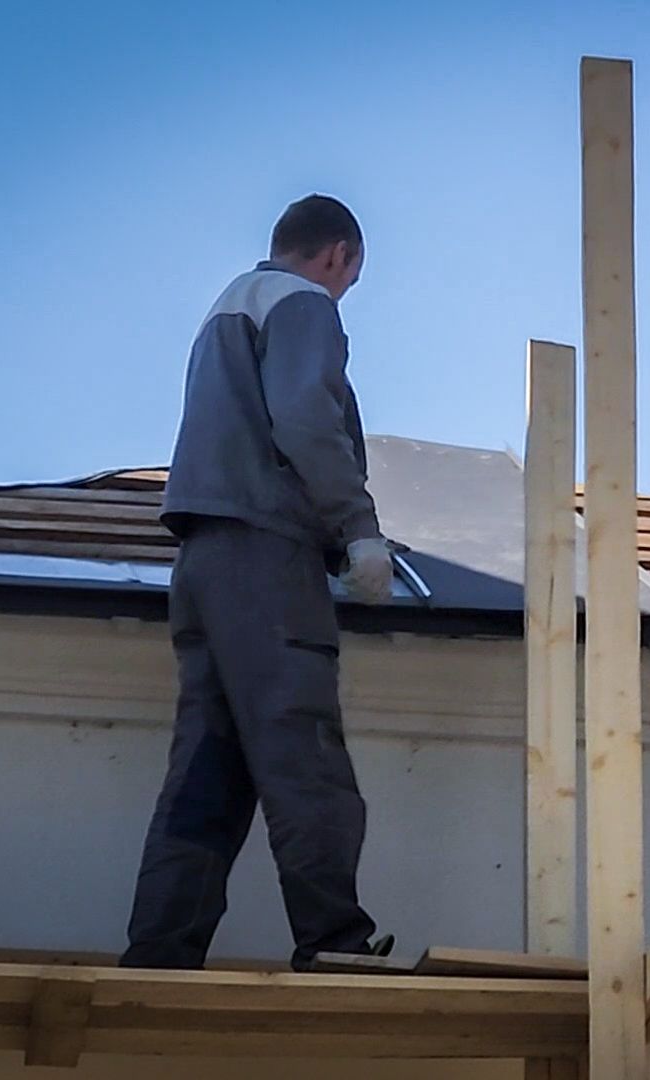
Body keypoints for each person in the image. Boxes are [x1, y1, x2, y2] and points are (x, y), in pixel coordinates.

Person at [122, 194, 395, 972]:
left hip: (203, 560)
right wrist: (357, 527)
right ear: (338, 255)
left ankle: (159, 957)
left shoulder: (227, 308)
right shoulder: (302, 301)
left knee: (208, 772)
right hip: (267, 558)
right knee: (302, 749)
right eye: (350, 279)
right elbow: (306, 416)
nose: (343, 291)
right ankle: (335, 944)